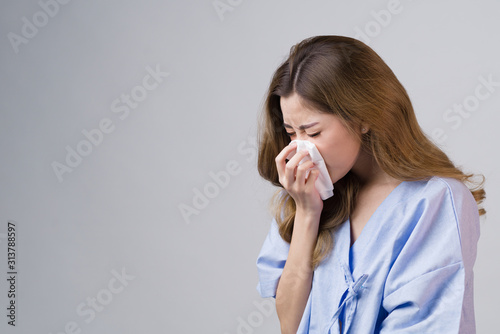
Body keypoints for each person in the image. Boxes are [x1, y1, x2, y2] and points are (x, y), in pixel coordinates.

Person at [255, 35, 486, 334]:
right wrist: (307, 214)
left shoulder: (435, 201)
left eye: (312, 133)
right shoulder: (306, 196)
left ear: (362, 117)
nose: (301, 151)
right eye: (291, 133)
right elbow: (291, 325)